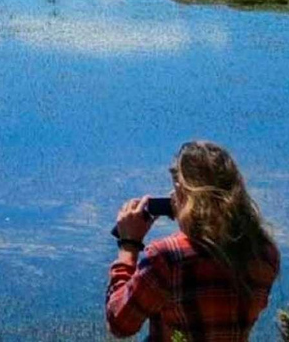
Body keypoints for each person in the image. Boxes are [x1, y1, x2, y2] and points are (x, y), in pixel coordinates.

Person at [105, 141, 281, 341]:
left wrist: (129, 245)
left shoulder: (167, 258)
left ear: (182, 191)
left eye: (176, 190)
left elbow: (120, 323)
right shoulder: (265, 253)